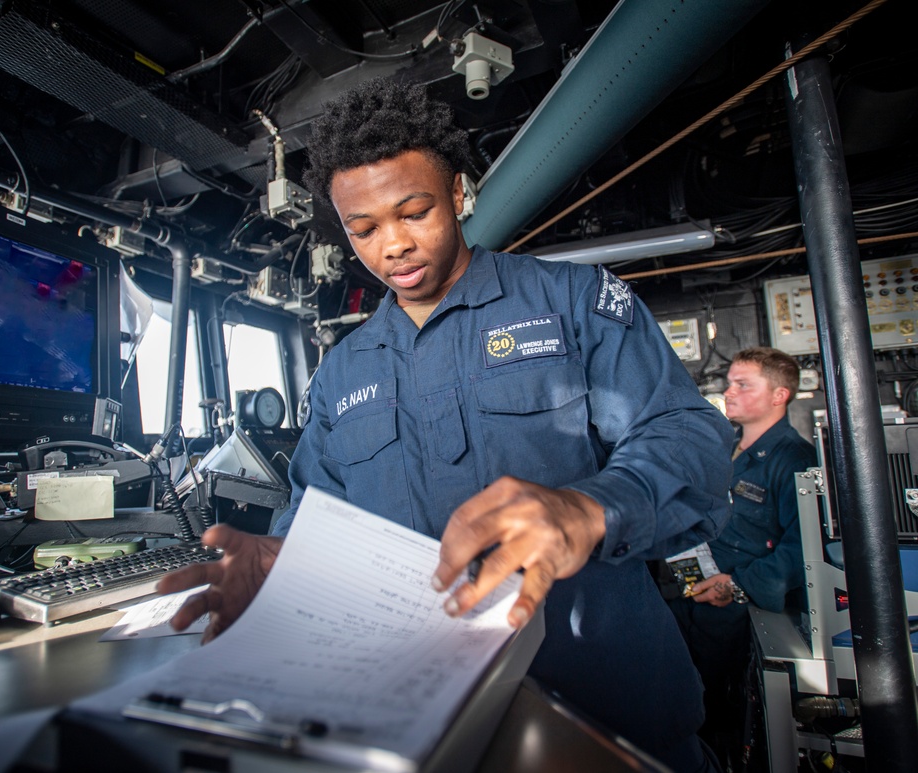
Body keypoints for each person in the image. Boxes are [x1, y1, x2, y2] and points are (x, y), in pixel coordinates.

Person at [158, 77, 734, 772]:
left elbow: (692, 442)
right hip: (420, 729)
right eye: (363, 230)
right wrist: (290, 571)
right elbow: (313, 513)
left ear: (459, 193)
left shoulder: (574, 303)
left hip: (610, 718)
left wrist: (589, 507)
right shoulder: (342, 373)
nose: (392, 246)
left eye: (414, 212)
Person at [668, 346, 817, 768]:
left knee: (720, 708)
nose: (728, 392)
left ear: (779, 395)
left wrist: (737, 586)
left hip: (737, 608)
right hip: (693, 590)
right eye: (729, 383)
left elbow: (801, 546)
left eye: (742, 385)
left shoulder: (793, 458)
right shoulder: (727, 446)